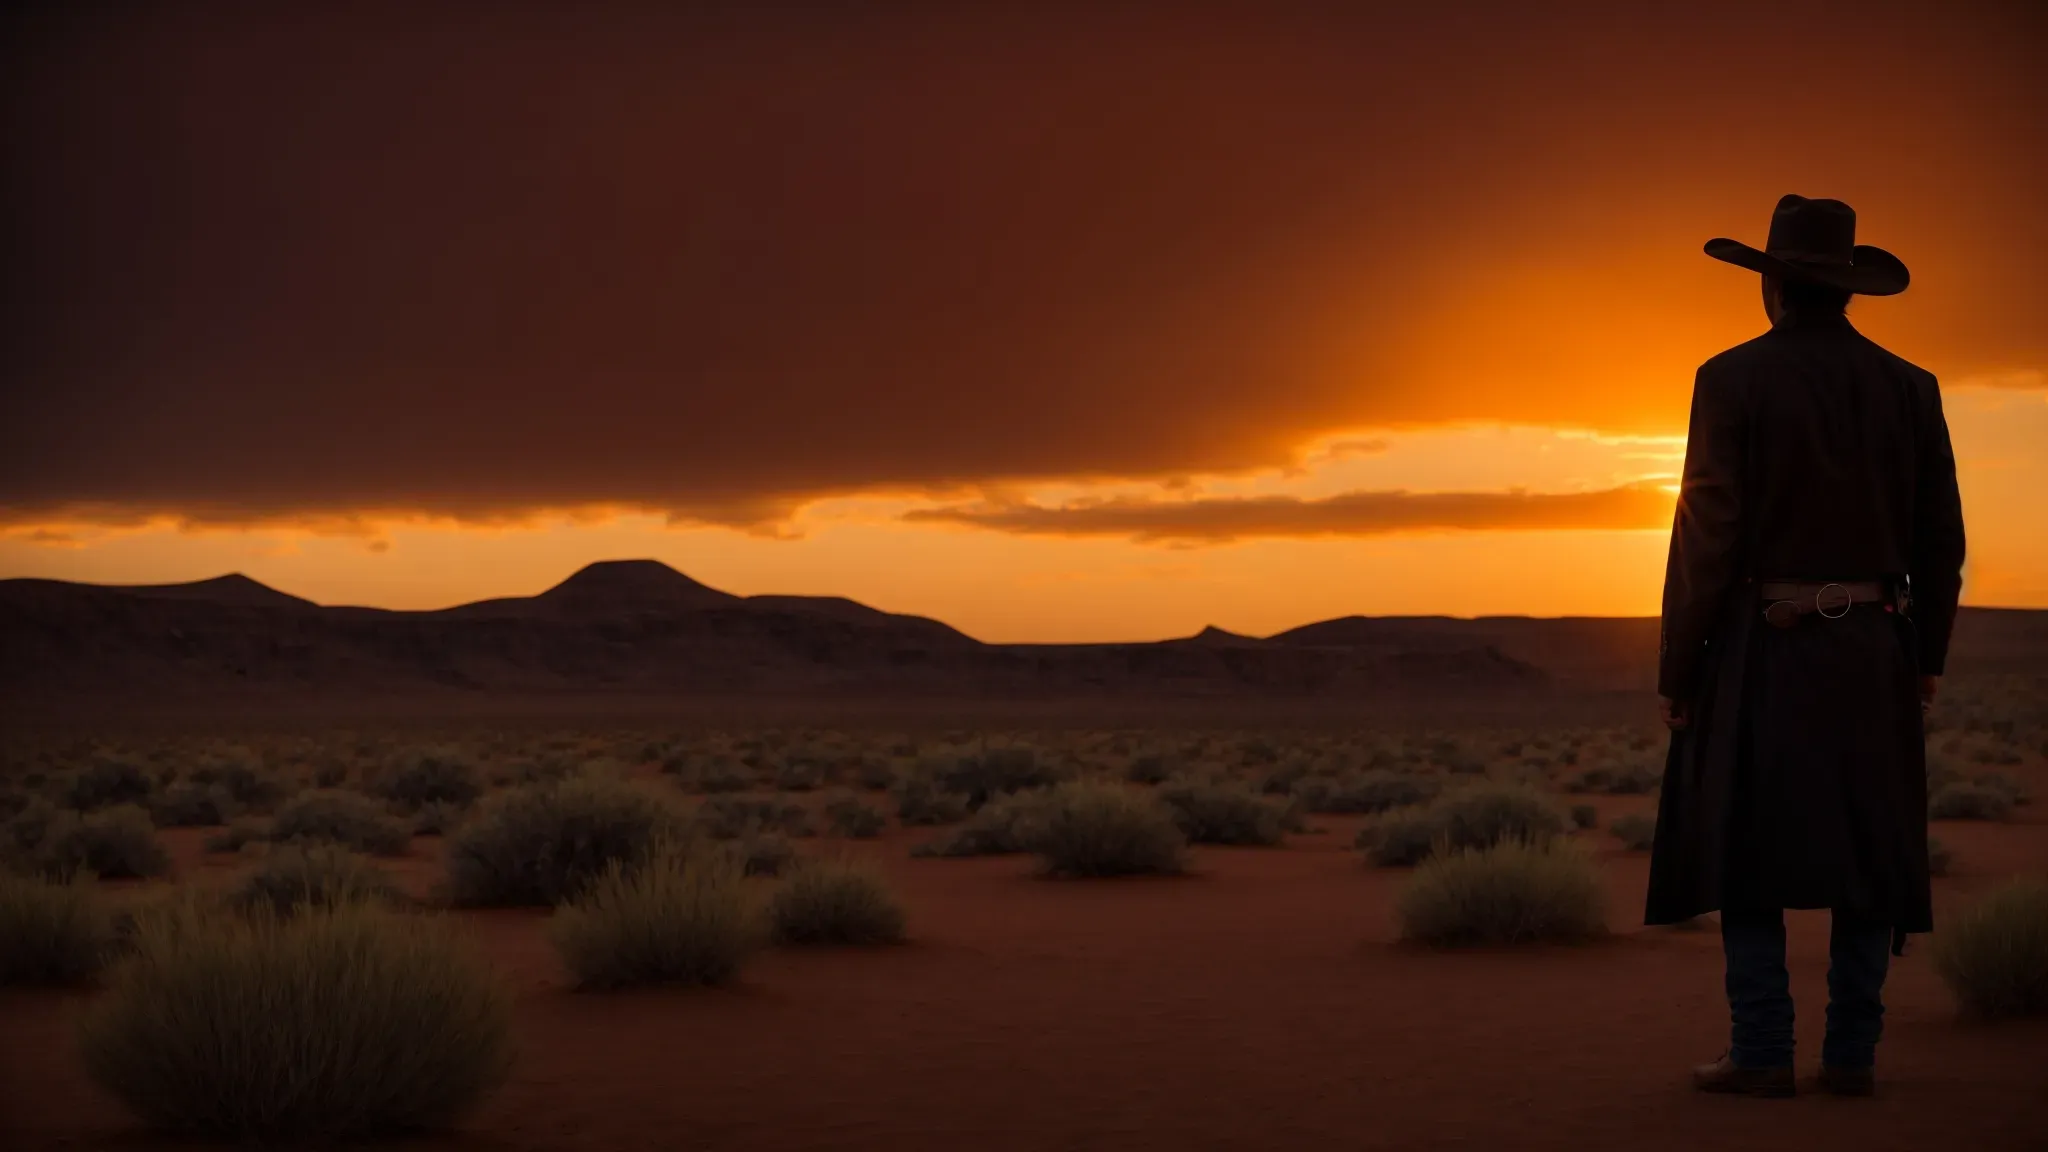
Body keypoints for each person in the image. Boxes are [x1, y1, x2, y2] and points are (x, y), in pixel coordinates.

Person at [1645, 194, 1966, 1099]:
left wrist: (1680, 668)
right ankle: (1853, 1054)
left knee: (1747, 845)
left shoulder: (1731, 377)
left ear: (1773, 283)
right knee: (1870, 848)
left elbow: (1708, 531)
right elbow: (1942, 537)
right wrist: (1928, 656)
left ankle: (1761, 1050)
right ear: (1847, 289)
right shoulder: (1912, 386)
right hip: (1877, 650)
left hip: (1761, 649)